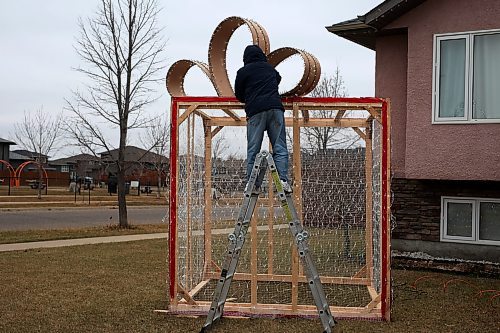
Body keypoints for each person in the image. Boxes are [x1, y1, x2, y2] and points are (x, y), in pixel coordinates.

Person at [234, 44, 291, 193]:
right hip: (275, 109)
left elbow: (238, 94)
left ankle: (252, 184)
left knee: (253, 149)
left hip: (256, 111)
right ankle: (283, 181)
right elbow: (278, 79)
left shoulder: (243, 72)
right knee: (280, 147)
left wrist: (251, 93)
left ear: (245, 58)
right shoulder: (270, 69)